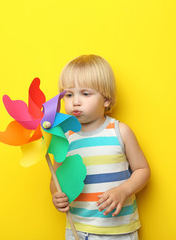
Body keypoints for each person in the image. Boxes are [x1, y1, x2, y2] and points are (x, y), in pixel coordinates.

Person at [50, 54, 150, 240]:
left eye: (85, 93)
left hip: (118, 231)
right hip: (77, 229)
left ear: (106, 100)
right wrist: (57, 195)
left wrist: (123, 190)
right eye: (69, 94)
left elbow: (143, 170)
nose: (75, 101)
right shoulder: (64, 138)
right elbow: (55, 179)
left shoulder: (120, 131)